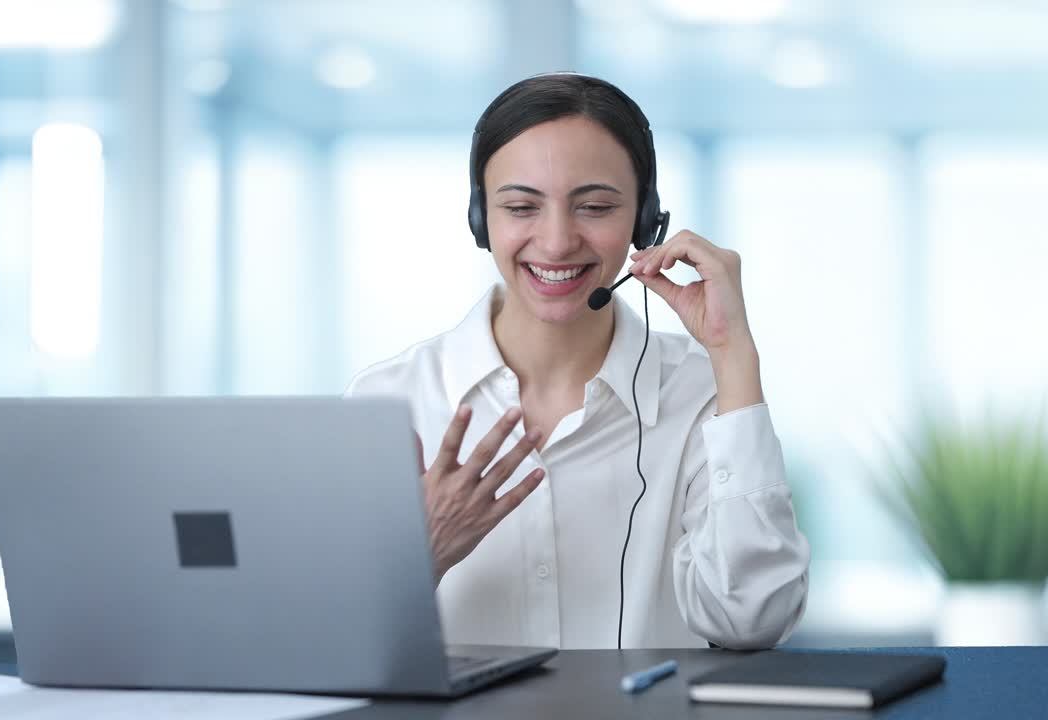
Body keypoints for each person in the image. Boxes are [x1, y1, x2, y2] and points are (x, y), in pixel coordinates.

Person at [344, 73, 809, 650]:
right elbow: (330, 649)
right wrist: (422, 553)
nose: (559, 241)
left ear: (645, 221)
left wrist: (733, 355)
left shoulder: (701, 393)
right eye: (520, 206)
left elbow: (752, 621)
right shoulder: (389, 400)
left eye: (593, 206)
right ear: (480, 218)